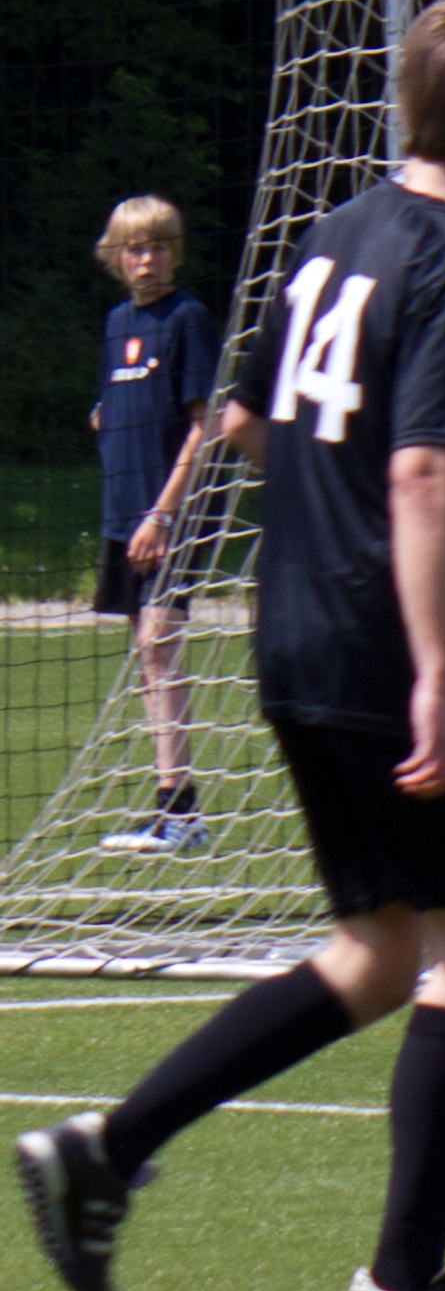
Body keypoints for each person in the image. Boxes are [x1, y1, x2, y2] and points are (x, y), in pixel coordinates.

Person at [15, 0, 445, 1291]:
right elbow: (426, 470)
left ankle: (105, 1149)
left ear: (405, 105)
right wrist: (437, 665)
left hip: (295, 636)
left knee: (377, 954)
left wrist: (340, 501)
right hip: (392, 651)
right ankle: (399, 1290)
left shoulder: (334, 239)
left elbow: (250, 420)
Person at [86, 194, 221, 858]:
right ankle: (174, 809)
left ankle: (181, 814)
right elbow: (116, 402)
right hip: (124, 512)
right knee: (149, 657)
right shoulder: (117, 324)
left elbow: (203, 426)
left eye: (160, 247)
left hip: (170, 515)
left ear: (175, 253)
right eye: (136, 248)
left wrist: (164, 513)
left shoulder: (187, 318)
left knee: (160, 645)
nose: (148, 259)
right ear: (115, 256)